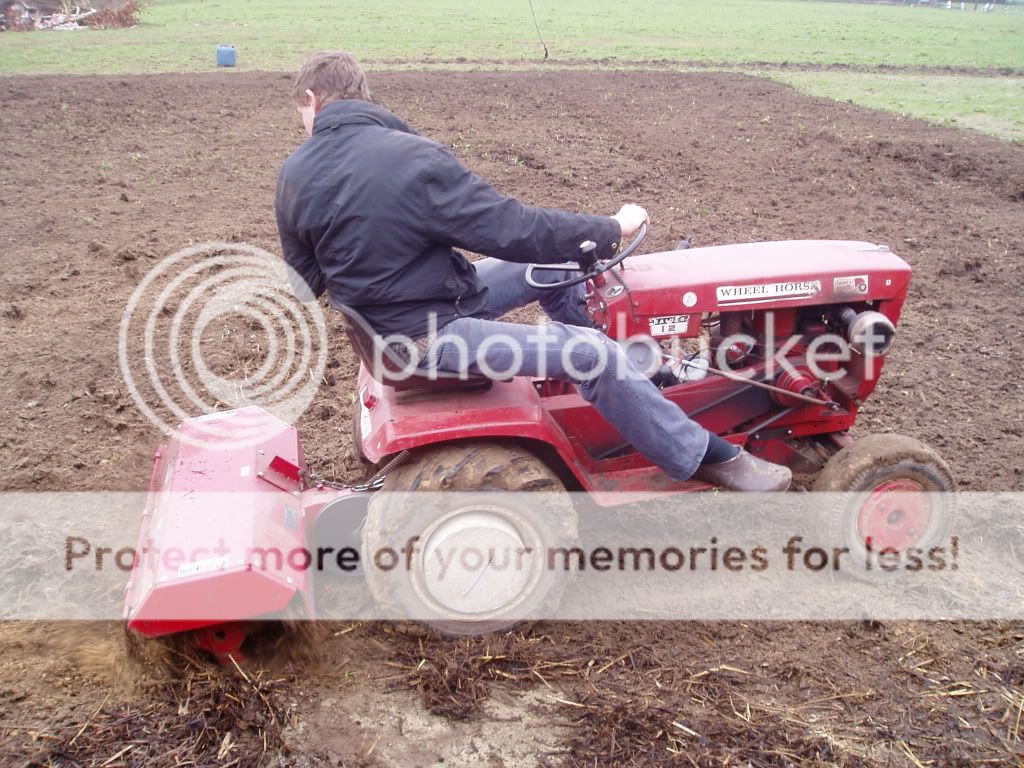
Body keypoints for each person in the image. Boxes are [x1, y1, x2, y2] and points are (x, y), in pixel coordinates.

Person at [275, 51, 791, 492]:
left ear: (312, 100)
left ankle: (640, 374)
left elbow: (305, 285)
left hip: (406, 321)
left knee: (549, 265)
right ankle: (710, 457)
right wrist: (610, 226)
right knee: (591, 355)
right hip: (429, 338)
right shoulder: (411, 158)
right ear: (362, 94)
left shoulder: (294, 175)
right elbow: (512, 227)